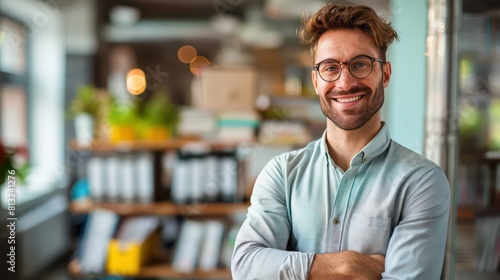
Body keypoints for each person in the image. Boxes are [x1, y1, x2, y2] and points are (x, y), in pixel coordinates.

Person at [231, 3, 450, 280]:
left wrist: (292, 268)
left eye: (360, 64)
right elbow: (246, 266)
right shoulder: (282, 173)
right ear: (315, 81)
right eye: (330, 68)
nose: (345, 82)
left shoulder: (421, 181)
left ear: (385, 74)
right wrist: (343, 265)